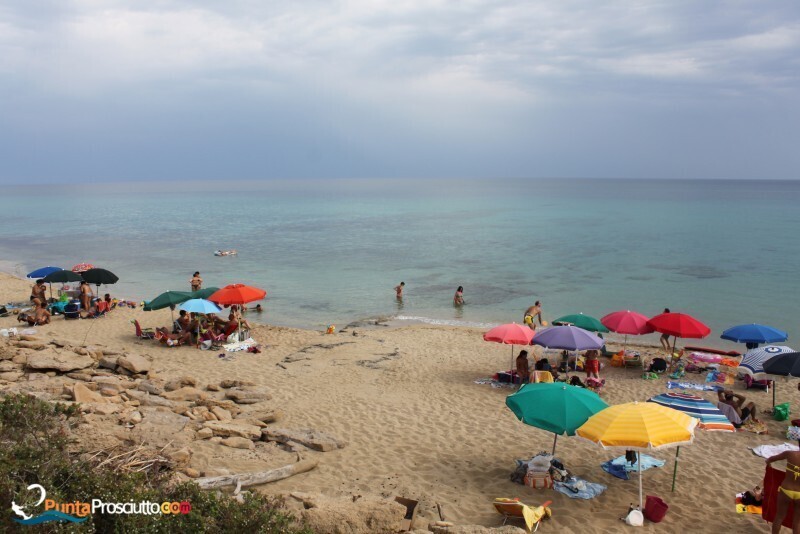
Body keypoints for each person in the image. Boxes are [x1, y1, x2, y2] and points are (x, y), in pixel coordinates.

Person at [766, 428, 800, 533]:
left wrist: (769, 465)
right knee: (797, 523)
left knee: (779, 517)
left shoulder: (790, 454)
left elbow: (770, 459)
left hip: (786, 489)